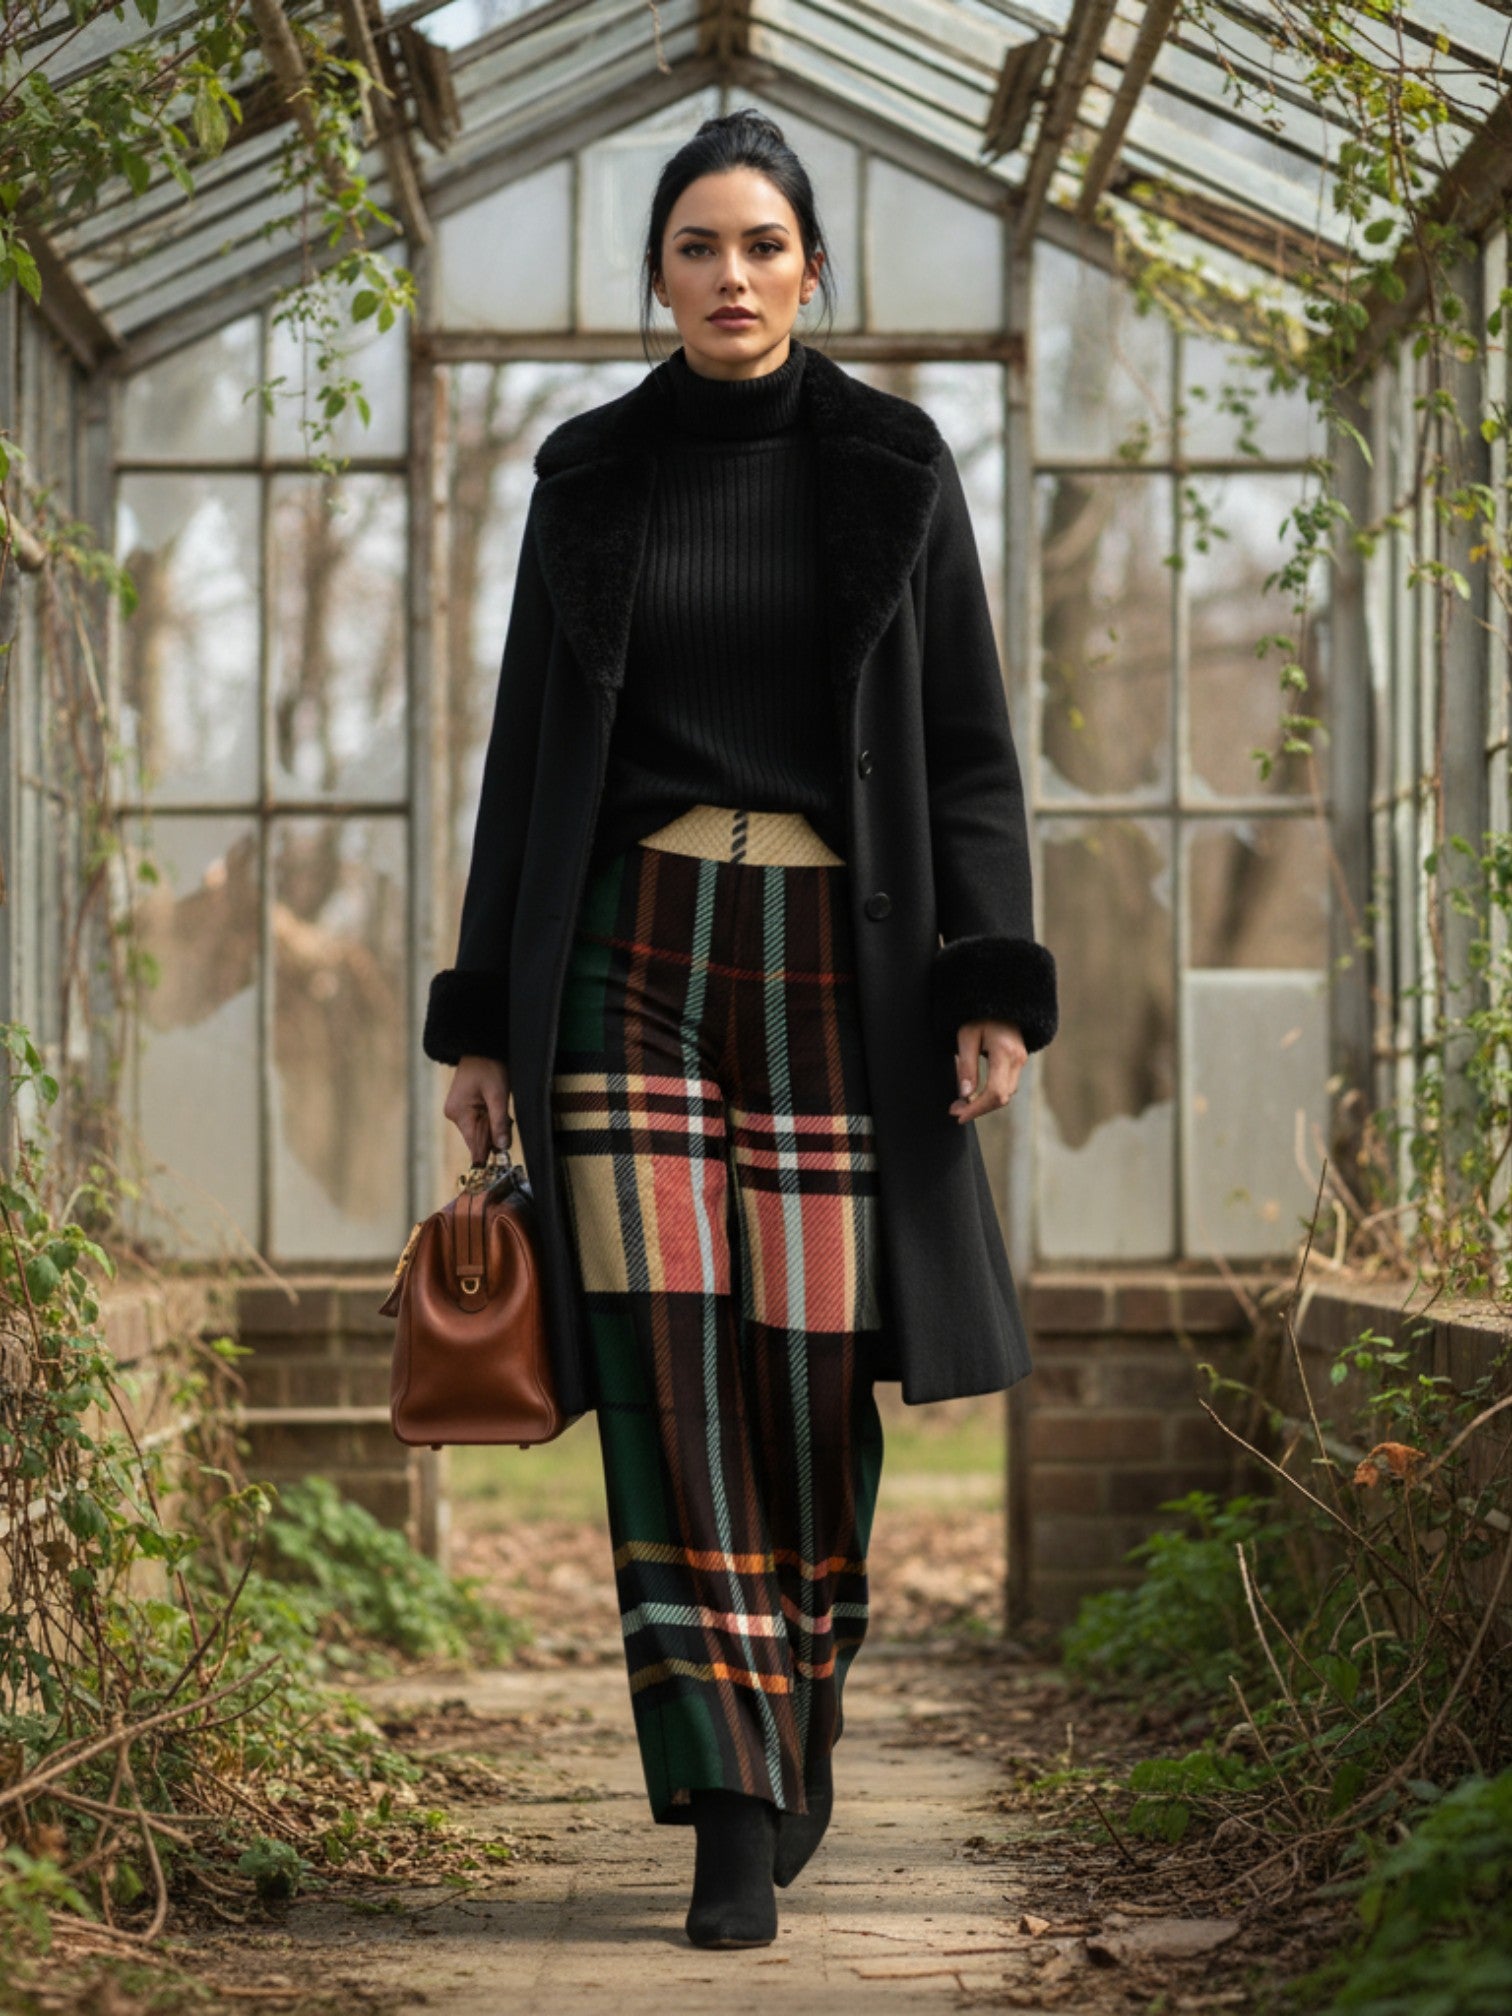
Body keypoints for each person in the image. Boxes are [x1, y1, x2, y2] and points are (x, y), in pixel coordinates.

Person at [423, 108, 1059, 1952]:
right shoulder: (587, 477)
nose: (732, 276)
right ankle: (724, 1791)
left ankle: (803, 1674)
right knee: (669, 1363)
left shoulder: (896, 467)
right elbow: (526, 766)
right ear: (657, 275)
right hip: (626, 955)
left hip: (833, 962)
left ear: (811, 270)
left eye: (763, 246)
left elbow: (966, 749)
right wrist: (480, 1022)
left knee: (803, 1359)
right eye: (698, 247)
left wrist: (991, 980)